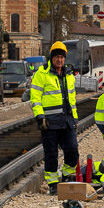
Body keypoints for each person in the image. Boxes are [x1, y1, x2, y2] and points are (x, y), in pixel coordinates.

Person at [29, 41, 79, 192]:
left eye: (62, 57)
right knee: (51, 154)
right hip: (49, 123)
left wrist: (75, 118)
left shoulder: (69, 75)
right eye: (57, 57)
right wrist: (40, 116)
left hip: (67, 121)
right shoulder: (41, 74)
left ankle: (67, 175)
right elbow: (35, 97)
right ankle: (53, 185)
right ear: (51, 58)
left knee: (72, 150)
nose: (59, 60)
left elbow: (72, 99)